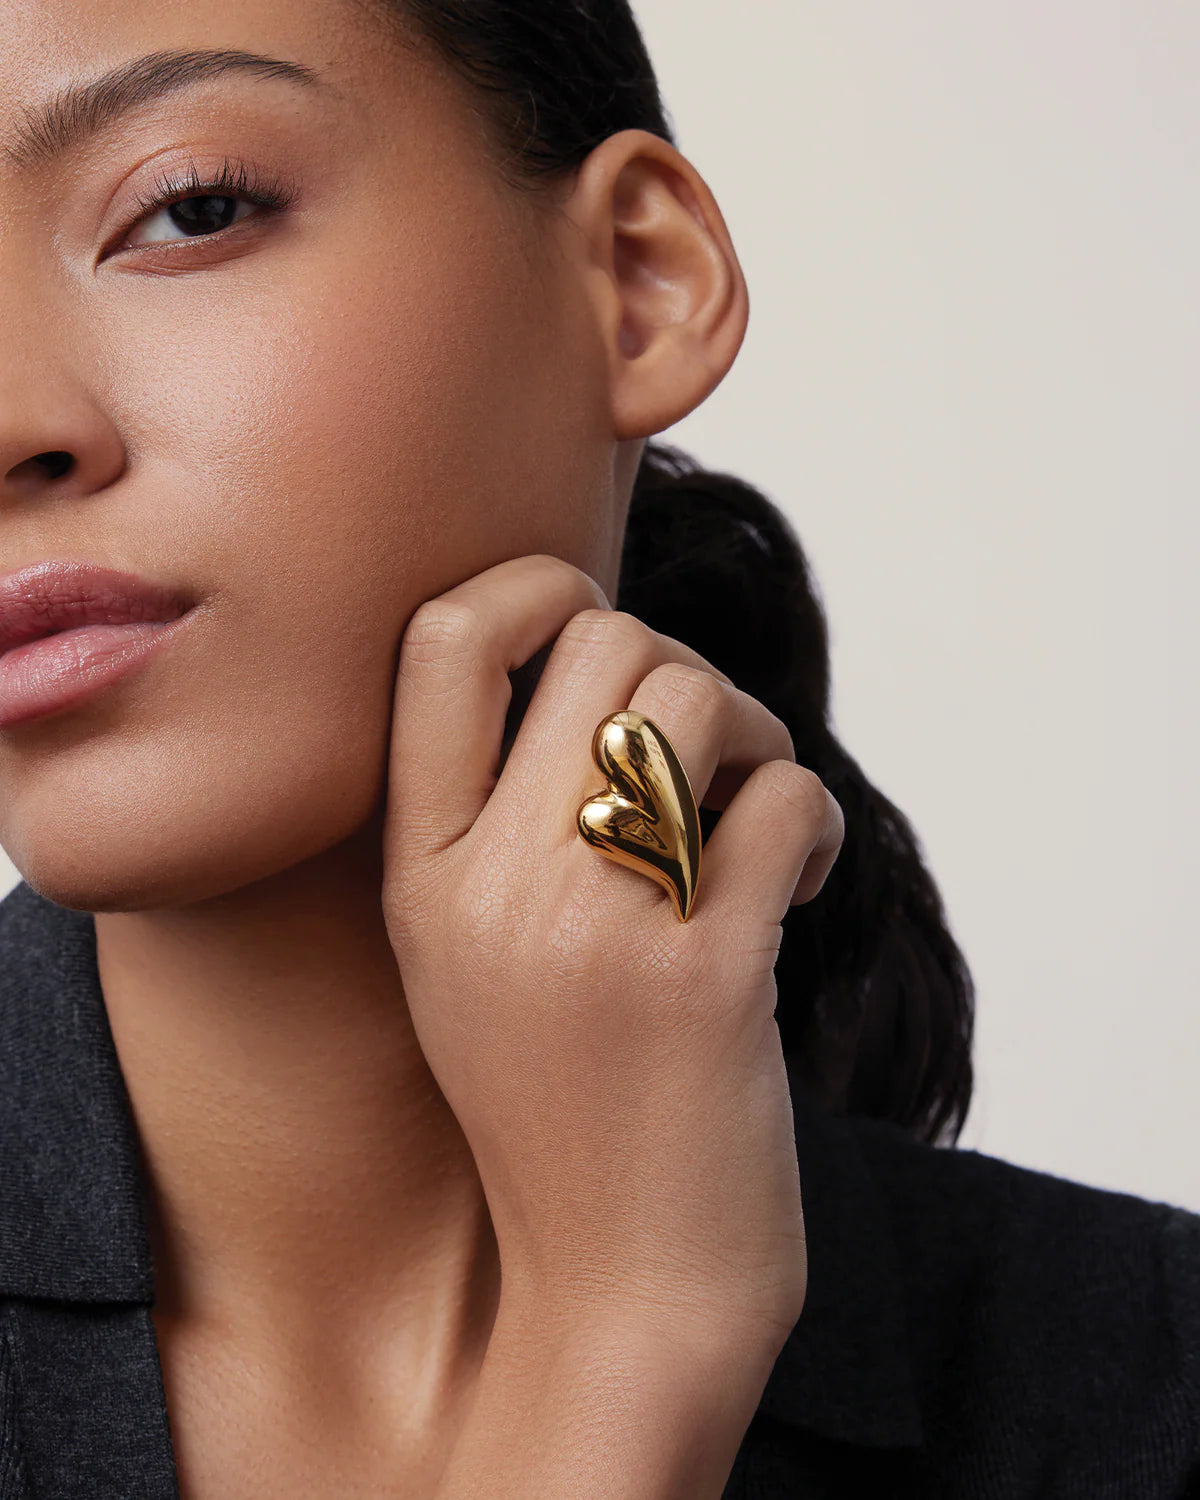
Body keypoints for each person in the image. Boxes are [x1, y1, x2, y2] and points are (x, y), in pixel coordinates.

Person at [0, 2, 1197, 1497]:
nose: (14, 415)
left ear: (638, 277)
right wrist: (617, 1344)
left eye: (191, 208)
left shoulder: (1149, 1381)